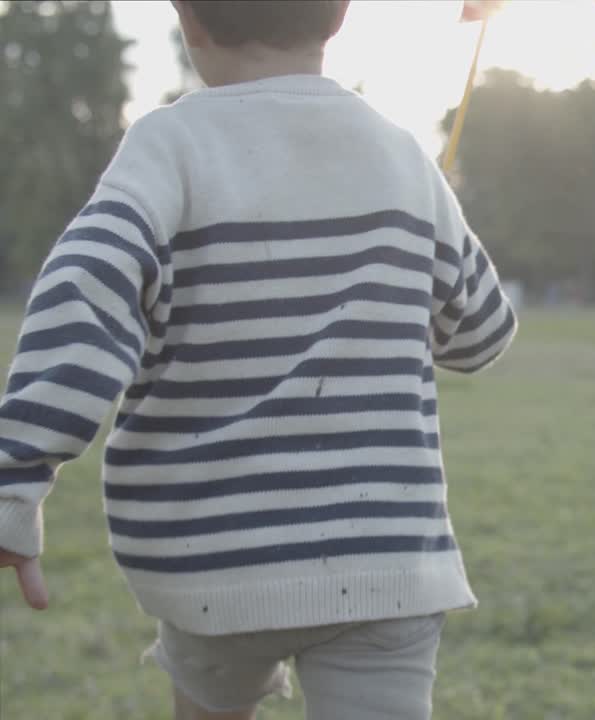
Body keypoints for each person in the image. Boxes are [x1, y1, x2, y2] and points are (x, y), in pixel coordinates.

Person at [0, 2, 517, 718]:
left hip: (210, 560)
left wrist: (15, 480)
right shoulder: (401, 153)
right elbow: (483, 334)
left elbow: (84, 297)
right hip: (384, 561)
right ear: (339, 17)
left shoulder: (169, 147)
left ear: (189, 21)